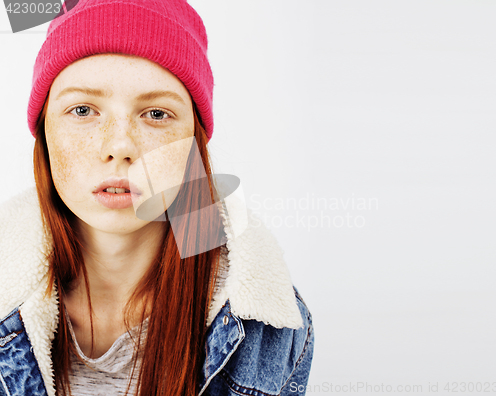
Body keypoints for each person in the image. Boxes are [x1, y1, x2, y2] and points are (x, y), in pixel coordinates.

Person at [0, 0, 314, 395]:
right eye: (82, 109)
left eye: (157, 114)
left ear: (193, 145)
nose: (119, 146)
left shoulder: (266, 324)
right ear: (44, 132)